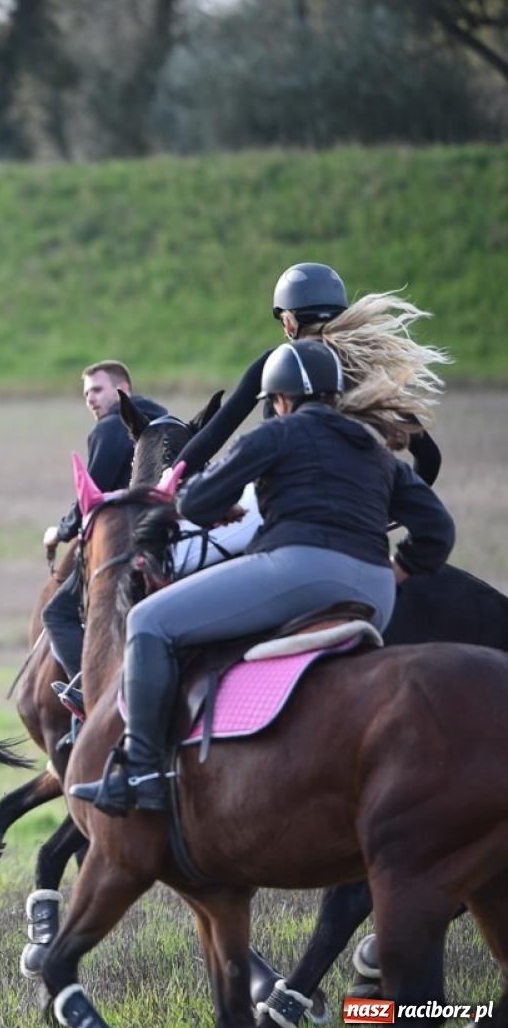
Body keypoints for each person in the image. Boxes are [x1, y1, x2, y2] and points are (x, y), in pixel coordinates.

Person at [71, 340, 455, 815]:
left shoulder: (275, 435)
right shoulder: (376, 453)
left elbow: (194, 502)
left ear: (278, 400)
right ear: (335, 396)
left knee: (150, 620)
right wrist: (399, 569)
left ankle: (143, 772)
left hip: (298, 571)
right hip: (377, 591)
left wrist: (222, 506)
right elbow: (439, 530)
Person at [177, 263, 449, 485]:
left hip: (285, 509)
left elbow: (214, 434)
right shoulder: (363, 369)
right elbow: (429, 458)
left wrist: (170, 478)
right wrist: (383, 514)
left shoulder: (274, 363)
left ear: (288, 322)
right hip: (356, 509)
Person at [42, 361, 167, 706]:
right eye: (86, 394)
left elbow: (90, 497)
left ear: (123, 389)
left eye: (97, 390)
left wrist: (60, 531)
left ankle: (91, 689)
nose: (91, 400)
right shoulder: (166, 421)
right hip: (170, 542)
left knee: (56, 614)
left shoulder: (111, 428)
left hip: (125, 545)